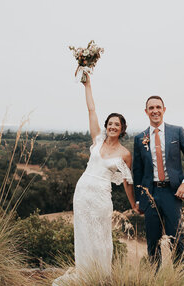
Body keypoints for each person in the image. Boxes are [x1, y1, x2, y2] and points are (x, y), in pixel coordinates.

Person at [53, 74, 138, 285]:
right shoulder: (97, 140)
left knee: (101, 238)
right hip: (82, 193)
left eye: (117, 125)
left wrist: (133, 204)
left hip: (101, 197)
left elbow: (127, 182)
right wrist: (87, 84)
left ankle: (100, 277)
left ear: (122, 129)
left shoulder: (125, 154)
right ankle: (84, 274)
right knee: (82, 235)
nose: (112, 127)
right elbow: (91, 109)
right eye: (110, 123)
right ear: (106, 126)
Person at [133, 95, 184, 268]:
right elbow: (138, 171)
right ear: (146, 112)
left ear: (164, 109)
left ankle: (178, 277)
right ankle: (155, 278)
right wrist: (139, 199)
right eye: (151, 108)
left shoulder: (177, 131)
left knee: (175, 239)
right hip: (150, 194)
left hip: (172, 193)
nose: (155, 111)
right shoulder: (140, 138)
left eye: (158, 107)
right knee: (152, 242)